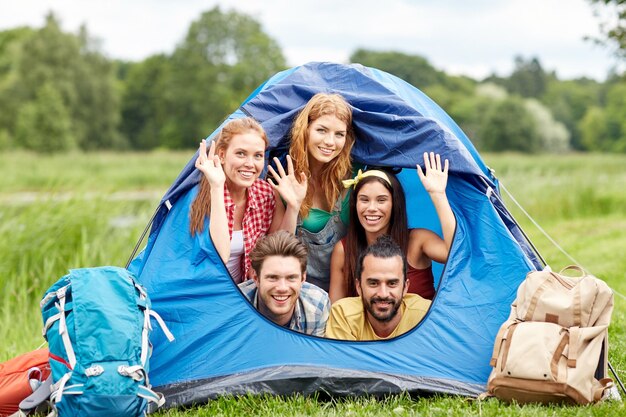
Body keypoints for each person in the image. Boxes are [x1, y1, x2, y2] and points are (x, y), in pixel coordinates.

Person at [190, 117, 306, 283]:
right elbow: (220, 256)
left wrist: (293, 207)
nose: (250, 164)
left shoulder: (265, 193)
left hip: (244, 293)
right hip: (204, 287)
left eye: (258, 156)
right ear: (222, 155)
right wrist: (216, 187)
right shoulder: (200, 195)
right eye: (241, 154)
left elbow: (277, 250)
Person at [328, 152, 455, 303]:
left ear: (395, 205)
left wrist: (438, 194)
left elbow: (455, 253)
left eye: (381, 200)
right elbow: (335, 311)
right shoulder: (343, 250)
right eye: (364, 200)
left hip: (422, 326)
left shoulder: (418, 240)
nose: (372, 208)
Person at [274, 92, 355, 292]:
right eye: (322, 130)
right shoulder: (285, 178)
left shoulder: (353, 178)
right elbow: (276, 251)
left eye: (339, 134)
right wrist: (293, 206)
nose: (330, 142)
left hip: (347, 287)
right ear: (305, 130)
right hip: (297, 291)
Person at [325, 235, 431, 340]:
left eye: (392, 283)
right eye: (373, 283)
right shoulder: (343, 314)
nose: (383, 294)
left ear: (405, 287)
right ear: (359, 287)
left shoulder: (427, 315)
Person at [238, 230, 330, 336]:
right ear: (256, 278)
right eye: (272, 277)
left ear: (303, 278)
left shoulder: (317, 304)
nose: (282, 288)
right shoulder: (234, 307)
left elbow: (314, 352)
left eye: (291, 278)